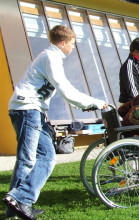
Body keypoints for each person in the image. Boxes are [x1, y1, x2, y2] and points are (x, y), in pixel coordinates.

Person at [3, 25, 108, 220]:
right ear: (62, 43)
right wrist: (95, 102)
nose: (73, 48)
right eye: (72, 44)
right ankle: (19, 200)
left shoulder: (51, 57)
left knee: (48, 156)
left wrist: (86, 104)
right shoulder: (51, 57)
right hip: (27, 109)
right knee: (28, 158)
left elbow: (64, 89)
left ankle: (17, 203)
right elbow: (65, 89)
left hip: (34, 111)